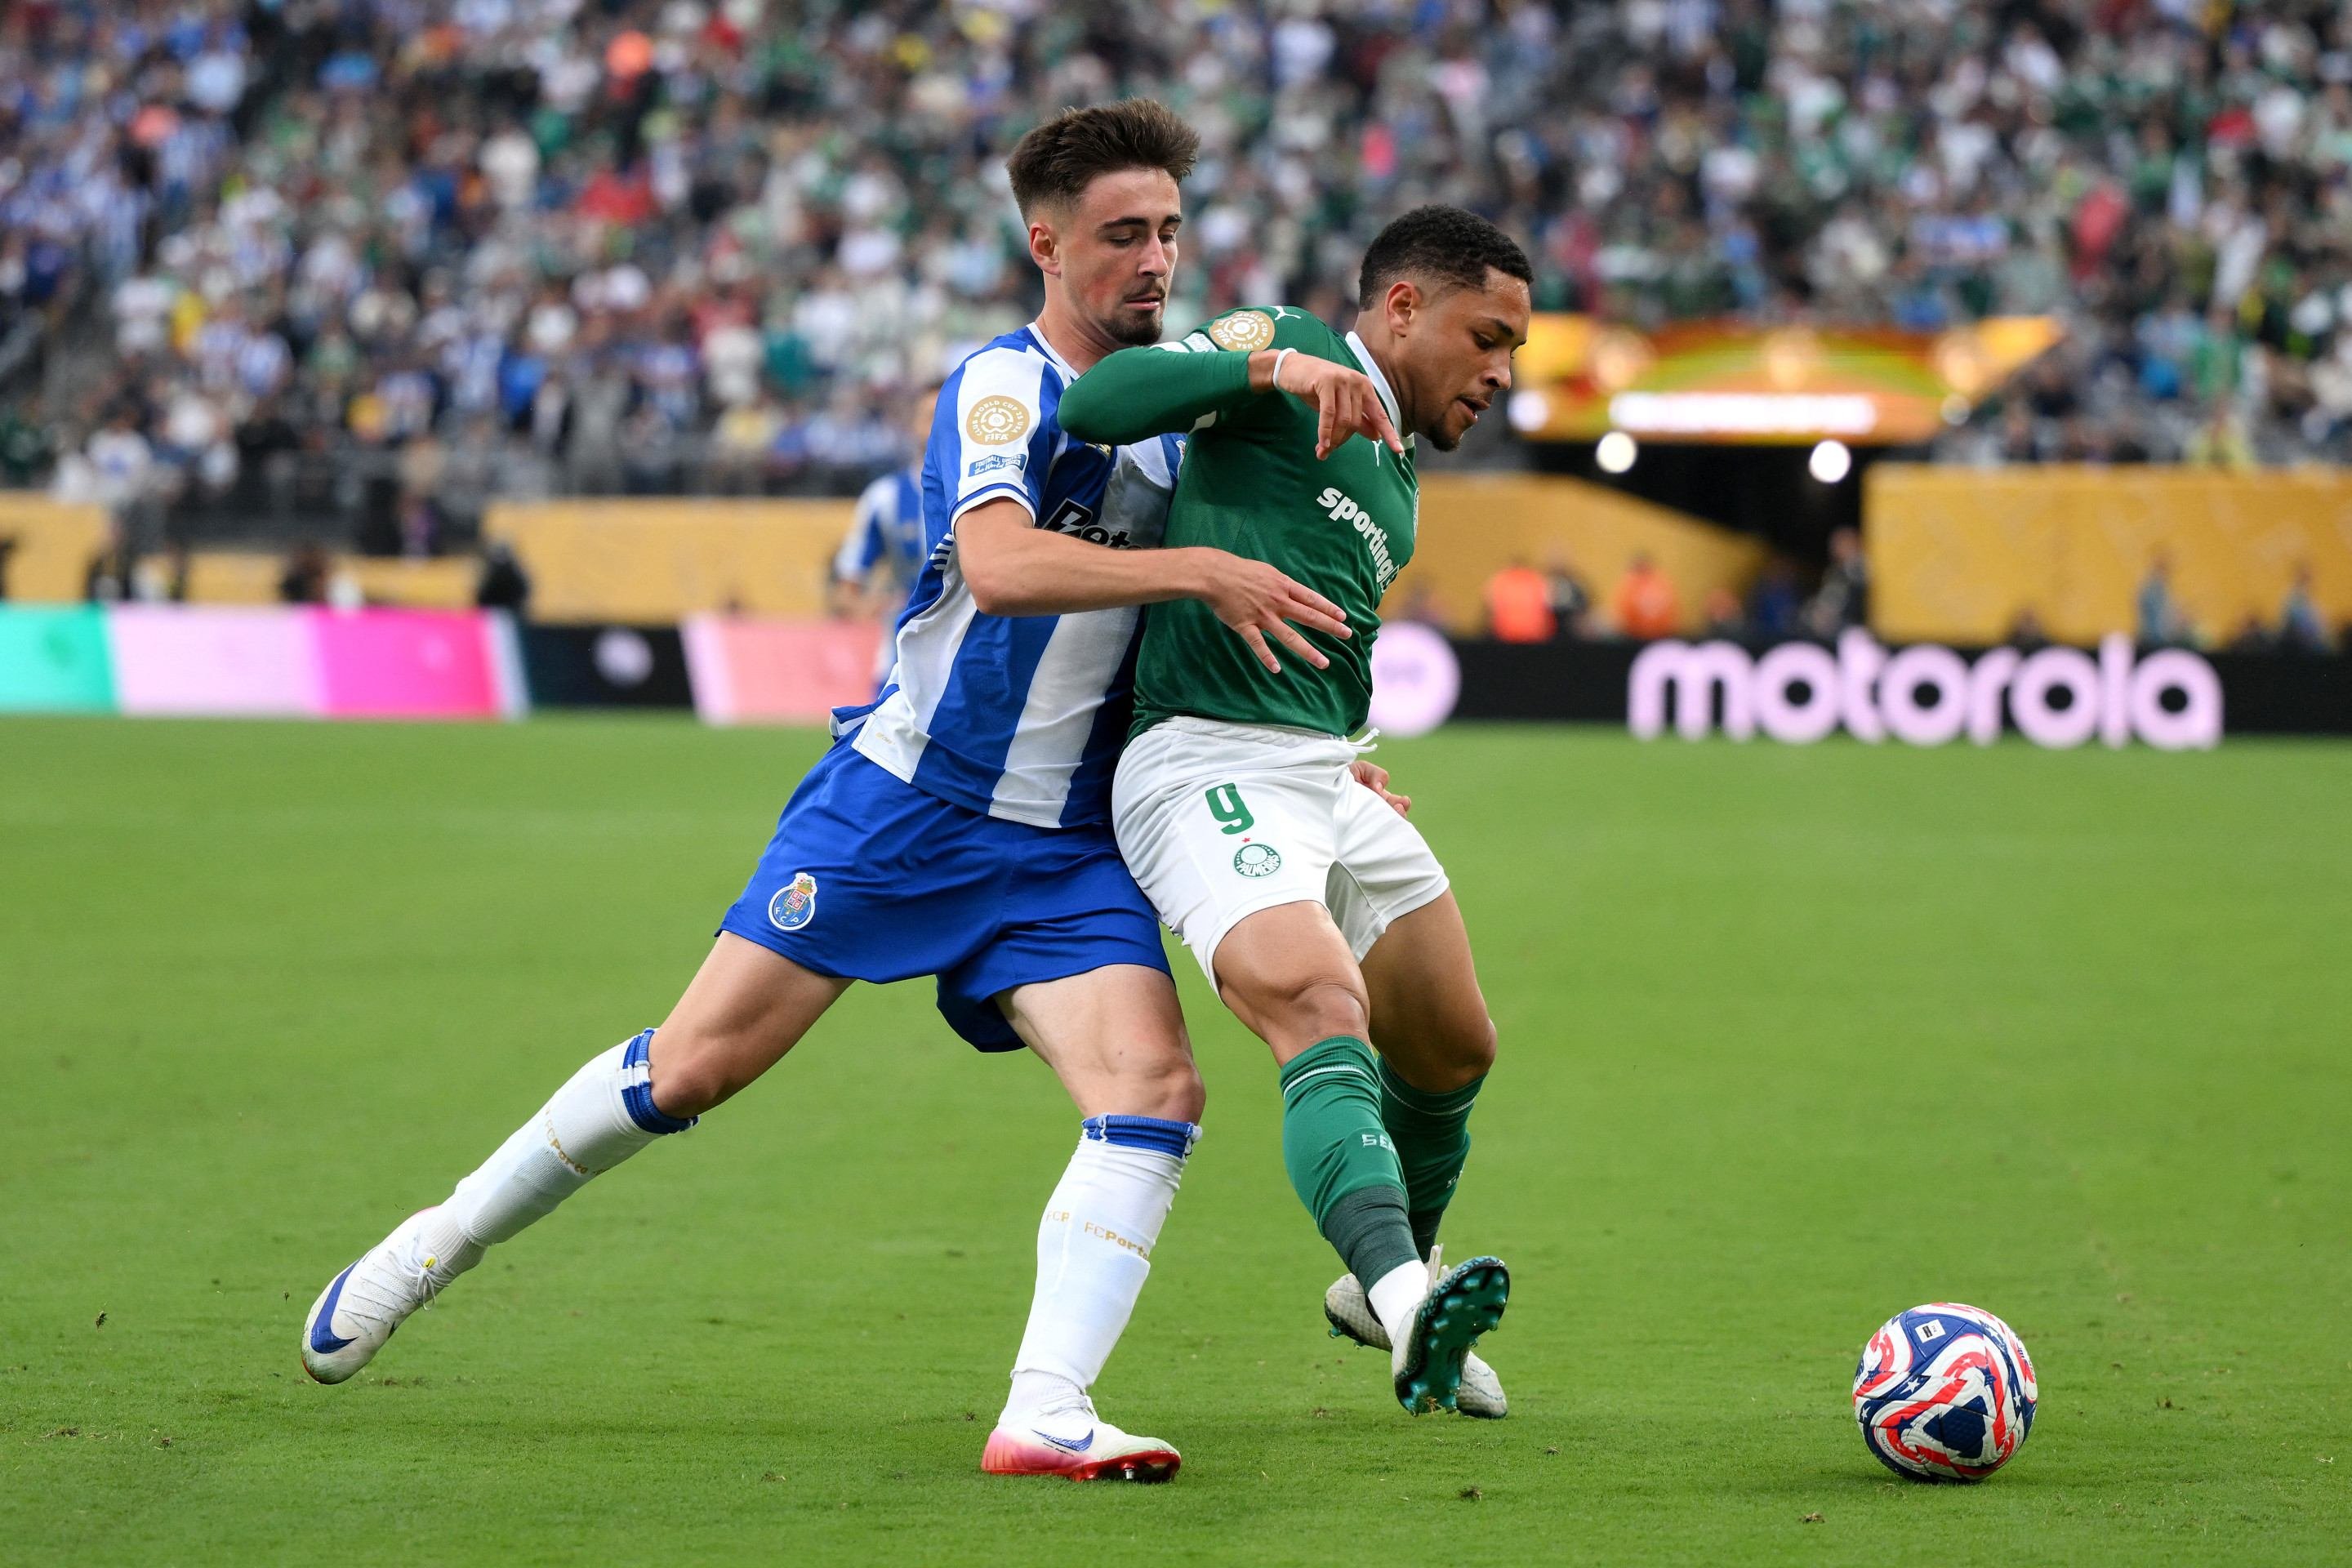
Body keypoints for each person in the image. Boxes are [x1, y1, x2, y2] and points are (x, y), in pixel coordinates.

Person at [297, 100, 1358, 1485]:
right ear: (1045, 244)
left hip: (1068, 843)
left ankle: (1045, 1409)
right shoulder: (1001, 384)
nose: (1155, 259)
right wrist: (1199, 569)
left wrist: (1304, 741)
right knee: (694, 1068)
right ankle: (437, 1239)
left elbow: (1217, 620)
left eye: (1168, 229)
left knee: (1155, 1083)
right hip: (908, 804)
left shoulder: (1183, 419)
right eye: (1120, 235)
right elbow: (1003, 565)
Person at [1058, 203, 1533, 1418]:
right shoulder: (1285, 346)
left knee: (1451, 1044)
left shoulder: (1397, 471)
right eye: (1489, 337)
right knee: (1323, 1010)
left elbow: (1333, 629)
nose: (1502, 373)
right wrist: (1264, 362)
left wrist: (1345, 747)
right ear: (1406, 307)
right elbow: (1095, 409)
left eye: (1516, 351)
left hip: (1319, 771)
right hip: (1201, 763)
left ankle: (1378, 1285)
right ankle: (1412, 1303)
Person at [829, 385, 938, 687]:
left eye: (949, 415)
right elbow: (846, 589)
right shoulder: (885, 498)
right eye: (930, 416)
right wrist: (875, 605)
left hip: (974, 658)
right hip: (901, 663)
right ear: (913, 425)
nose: (941, 425)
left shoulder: (995, 495)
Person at [1481, 557, 1552, 642]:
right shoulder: (1537, 579)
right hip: (1531, 634)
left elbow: (1491, 606)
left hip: (1505, 633)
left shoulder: (1500, 580)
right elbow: (1548, 604)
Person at [1611, 550, 1679, 639]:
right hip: (1660, 637)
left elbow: (1622, 615)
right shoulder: (1663, 583)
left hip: (1635, 637)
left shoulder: (1632, 583)